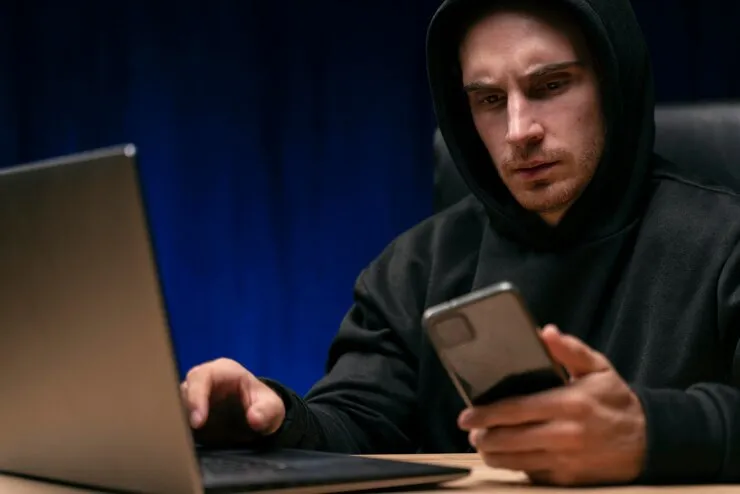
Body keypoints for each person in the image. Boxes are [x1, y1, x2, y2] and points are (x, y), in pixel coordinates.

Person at [180, 0, 740, 486]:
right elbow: (359, 423)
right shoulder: (414, 267)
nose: (519, 130)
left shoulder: (725, 241)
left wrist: (653, 433)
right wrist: (272, 420)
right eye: (489, 99)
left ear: (615, 83)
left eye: (550, 86)